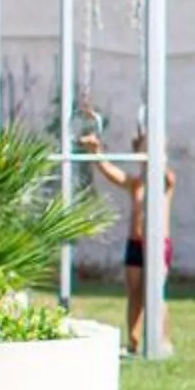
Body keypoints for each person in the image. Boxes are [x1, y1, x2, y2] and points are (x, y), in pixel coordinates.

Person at [76, 129, 176, 356]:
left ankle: (162, 340)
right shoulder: (136, 184)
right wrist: (96, 153)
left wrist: (157, 151)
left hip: (158, 245)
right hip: (136, 245)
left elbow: (164, 173)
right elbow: (111, 173)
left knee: (155, 293)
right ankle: (133, 341)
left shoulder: (165, 181)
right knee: (135, 293)